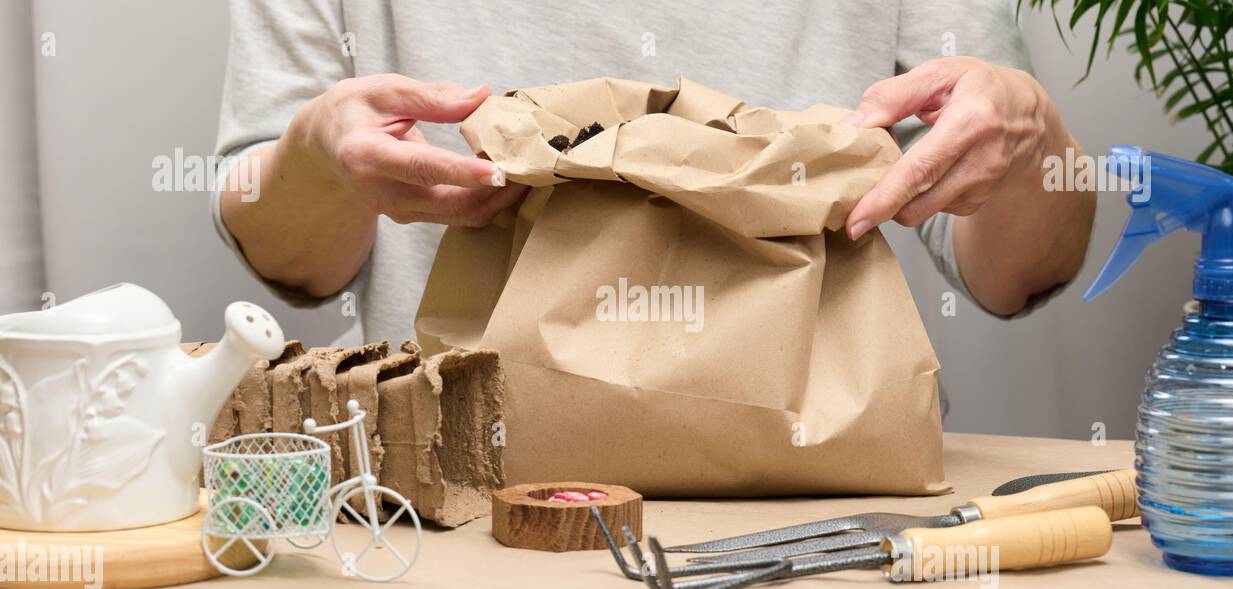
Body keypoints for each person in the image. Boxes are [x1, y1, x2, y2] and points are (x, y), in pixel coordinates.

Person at [214, 1, 1095, 348]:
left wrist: (1035, 135)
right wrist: (318, 163)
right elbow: (295, 266)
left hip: (822, 525)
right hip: (448, 512)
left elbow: (1011, 275)